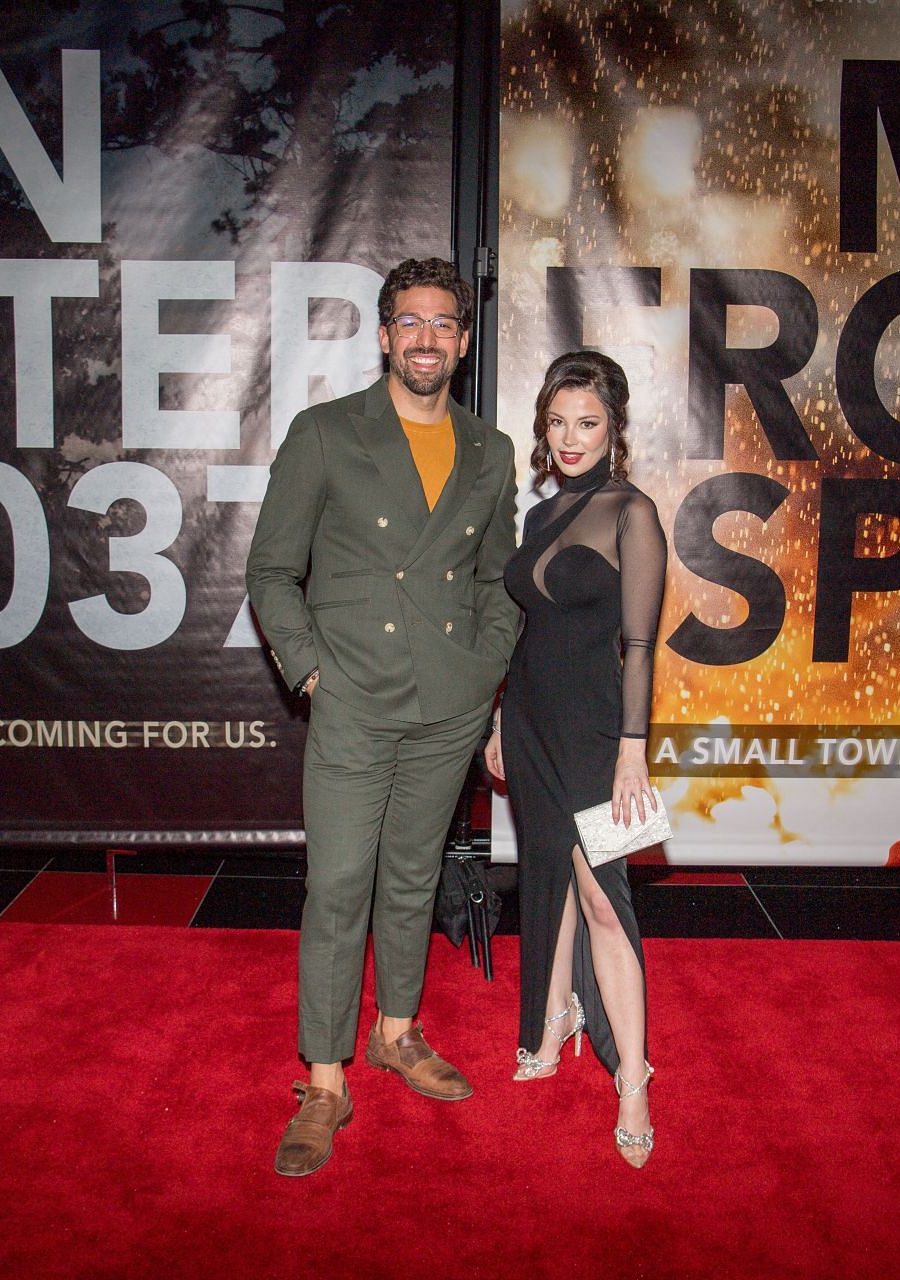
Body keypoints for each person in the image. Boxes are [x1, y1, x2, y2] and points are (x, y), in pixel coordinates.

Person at [246, 257, 520, 1177]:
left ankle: (397, 1033)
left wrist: (485, 673)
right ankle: (325, 1081)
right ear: (383, 334)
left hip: (447, 702)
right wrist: (313, 672)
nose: (428, 339)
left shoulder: (492, 450)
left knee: (411, 879)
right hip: (355, 699)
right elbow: (270, 571)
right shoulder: (327, 433)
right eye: (412, 322)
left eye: (445, 324)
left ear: (465, 341)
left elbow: (498, 581)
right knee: (337, 887)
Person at [483, 350, 668, 1167]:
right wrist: (496, 719)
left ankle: (633, 1075)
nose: (569, 438)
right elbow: (526, 629)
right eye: (556, 423)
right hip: (528, 722)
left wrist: (634, 754)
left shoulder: (633, 513)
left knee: (602, 896)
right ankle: (553, 1019)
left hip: (598, 733)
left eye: (586, 423)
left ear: (613, 429)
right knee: (548, 877)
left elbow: (640, 645)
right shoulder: (539, 517)